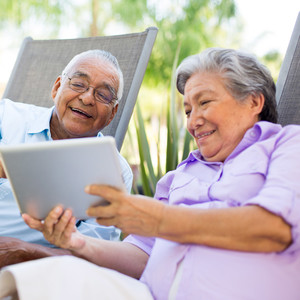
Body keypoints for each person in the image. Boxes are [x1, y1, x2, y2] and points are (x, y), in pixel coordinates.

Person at [1, 47, 299, 300]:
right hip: (143, 293)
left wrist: (158, 218)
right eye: (187, 111)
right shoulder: (178, 177)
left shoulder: (287, 146)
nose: (193, 121)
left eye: (204, 102)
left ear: (254, 101)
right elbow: (141, 255)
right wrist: (77, 242)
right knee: (41, 278)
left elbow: (274, 229)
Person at [0, 49, 133, 268]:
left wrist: (21, 252)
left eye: (103, 95)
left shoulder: (115, 171)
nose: (87, 98)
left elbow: (94, 256)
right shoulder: (6, 117)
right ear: (56, 87)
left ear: (112, 112)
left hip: (32, 273)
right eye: (79, 84)